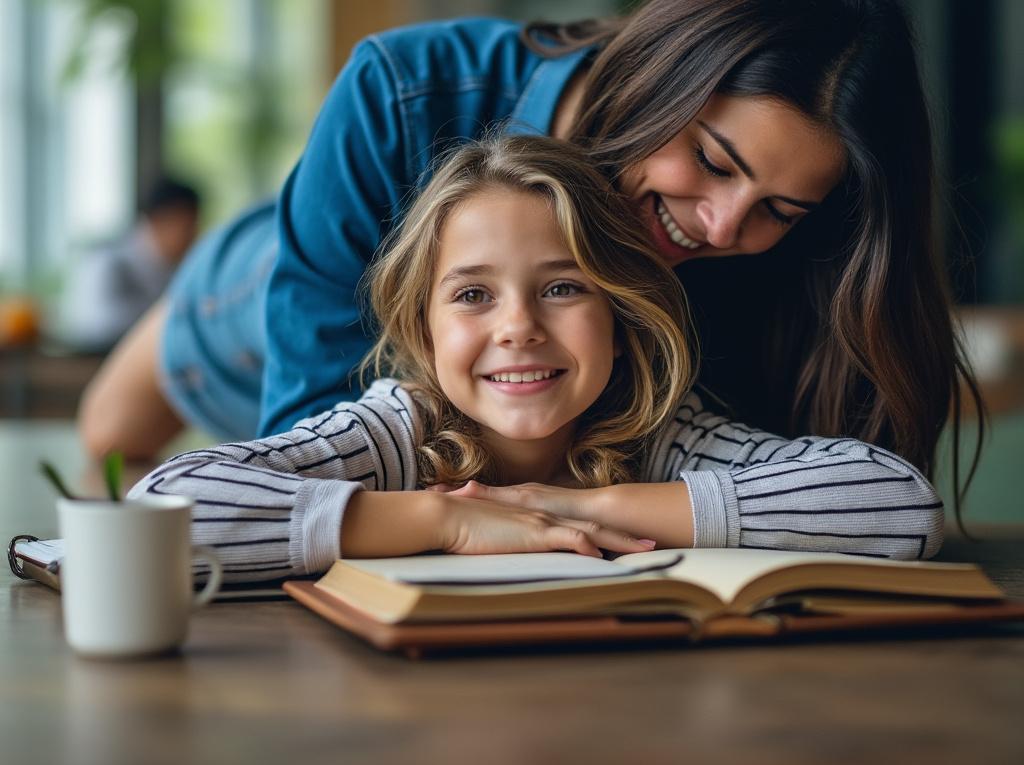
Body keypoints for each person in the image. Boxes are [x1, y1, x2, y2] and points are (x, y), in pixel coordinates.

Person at [90, 0, 981, 524]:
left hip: (449, 388)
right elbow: (308, 445)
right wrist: (458, 522)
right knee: (108, 449)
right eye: (712, 161)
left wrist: (576, 505)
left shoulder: (733, 256)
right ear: (664, 76)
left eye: (779, 211)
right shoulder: (404, 91)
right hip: (244, 307)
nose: (720, 227)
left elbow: (852, 492)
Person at [128, 136, 943, 584]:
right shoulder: (395, 433)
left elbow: (899, 504)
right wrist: (445, 520)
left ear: (620, 320)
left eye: (562, 288)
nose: (517, 327)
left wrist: (583, 507)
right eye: (473, 295)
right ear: (425, 332)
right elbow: (159, 507)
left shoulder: (666, 439)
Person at [60, 178, 200, 353]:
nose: (193, 236)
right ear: (160, 221)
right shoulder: (107, 262)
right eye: (187, 227)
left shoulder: (171, 267)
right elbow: (98, 325)